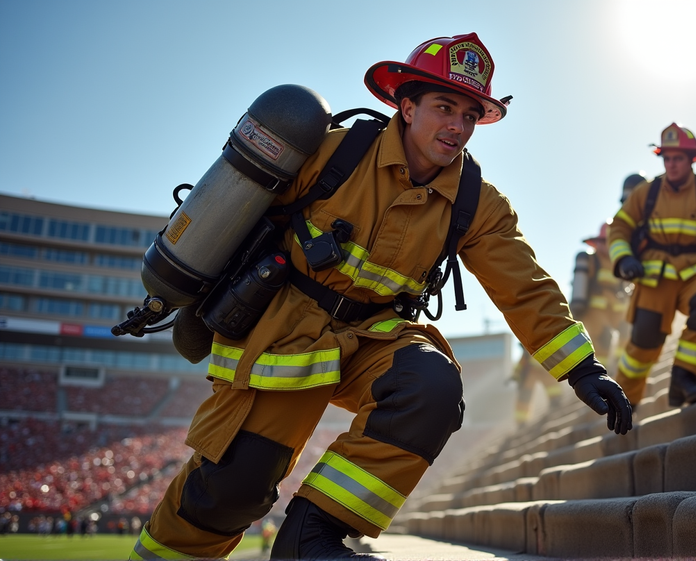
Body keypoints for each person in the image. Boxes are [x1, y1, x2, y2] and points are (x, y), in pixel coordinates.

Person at [129, 32, 631, 561]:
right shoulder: (332, 152)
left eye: (469, 114)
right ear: (406, 106)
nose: (458, 126)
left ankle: (309, 539)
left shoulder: (477, 204)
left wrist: (584, 369)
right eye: (444, 107)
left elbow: (524, 287)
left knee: (431, 384)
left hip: (373, 338)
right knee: (230, 490)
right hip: (280, 333)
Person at [608, 123, 696, 407]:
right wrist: (624, 258)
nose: (672, 165)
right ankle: (623, 402)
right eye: (667, 159)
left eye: (678, 159)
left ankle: (685, 381)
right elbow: (619, 228)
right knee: (641, 346)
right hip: (653, 276)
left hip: (695, 272)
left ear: (692, 160)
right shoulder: (646, 194)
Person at [571, 222, 632, 366]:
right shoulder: (591, 260)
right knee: (603, 339)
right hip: (595, 309)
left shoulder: (618, 261)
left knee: (627, 333)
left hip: (617, 308)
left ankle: (619, 367)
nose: (606, 246)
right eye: (603, 242)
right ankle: (600, 372)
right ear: (597, 243)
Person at [512, 343, 563, 425]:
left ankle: (555, 401)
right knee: (524, 396)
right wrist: (517, 375)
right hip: (536, 370)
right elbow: (520, 367)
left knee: (551, 385)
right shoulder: (526, 354)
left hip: (539, 369)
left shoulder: (528, 351)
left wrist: (517, 375)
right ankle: (521, 421)